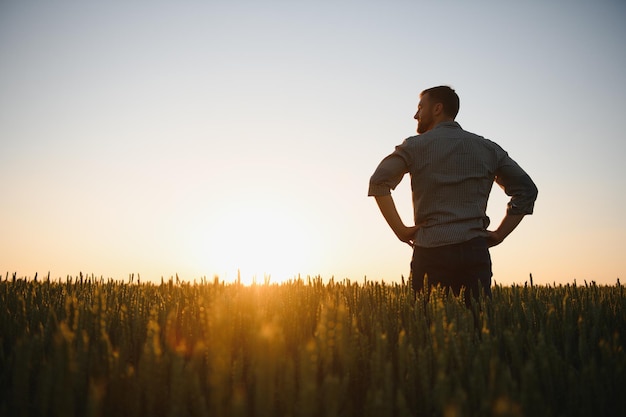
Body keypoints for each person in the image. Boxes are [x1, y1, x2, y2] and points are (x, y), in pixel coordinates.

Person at [368, 85, 538, 305]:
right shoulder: (487, 148)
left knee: (428, 327)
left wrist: (400, 230)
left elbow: (379, 181)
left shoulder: (414, 146)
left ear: (437, 108)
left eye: (421, 107)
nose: (415, 114)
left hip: (430, 252)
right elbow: (527, 190)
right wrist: (500, 234)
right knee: (477, 328)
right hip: (474, 252)